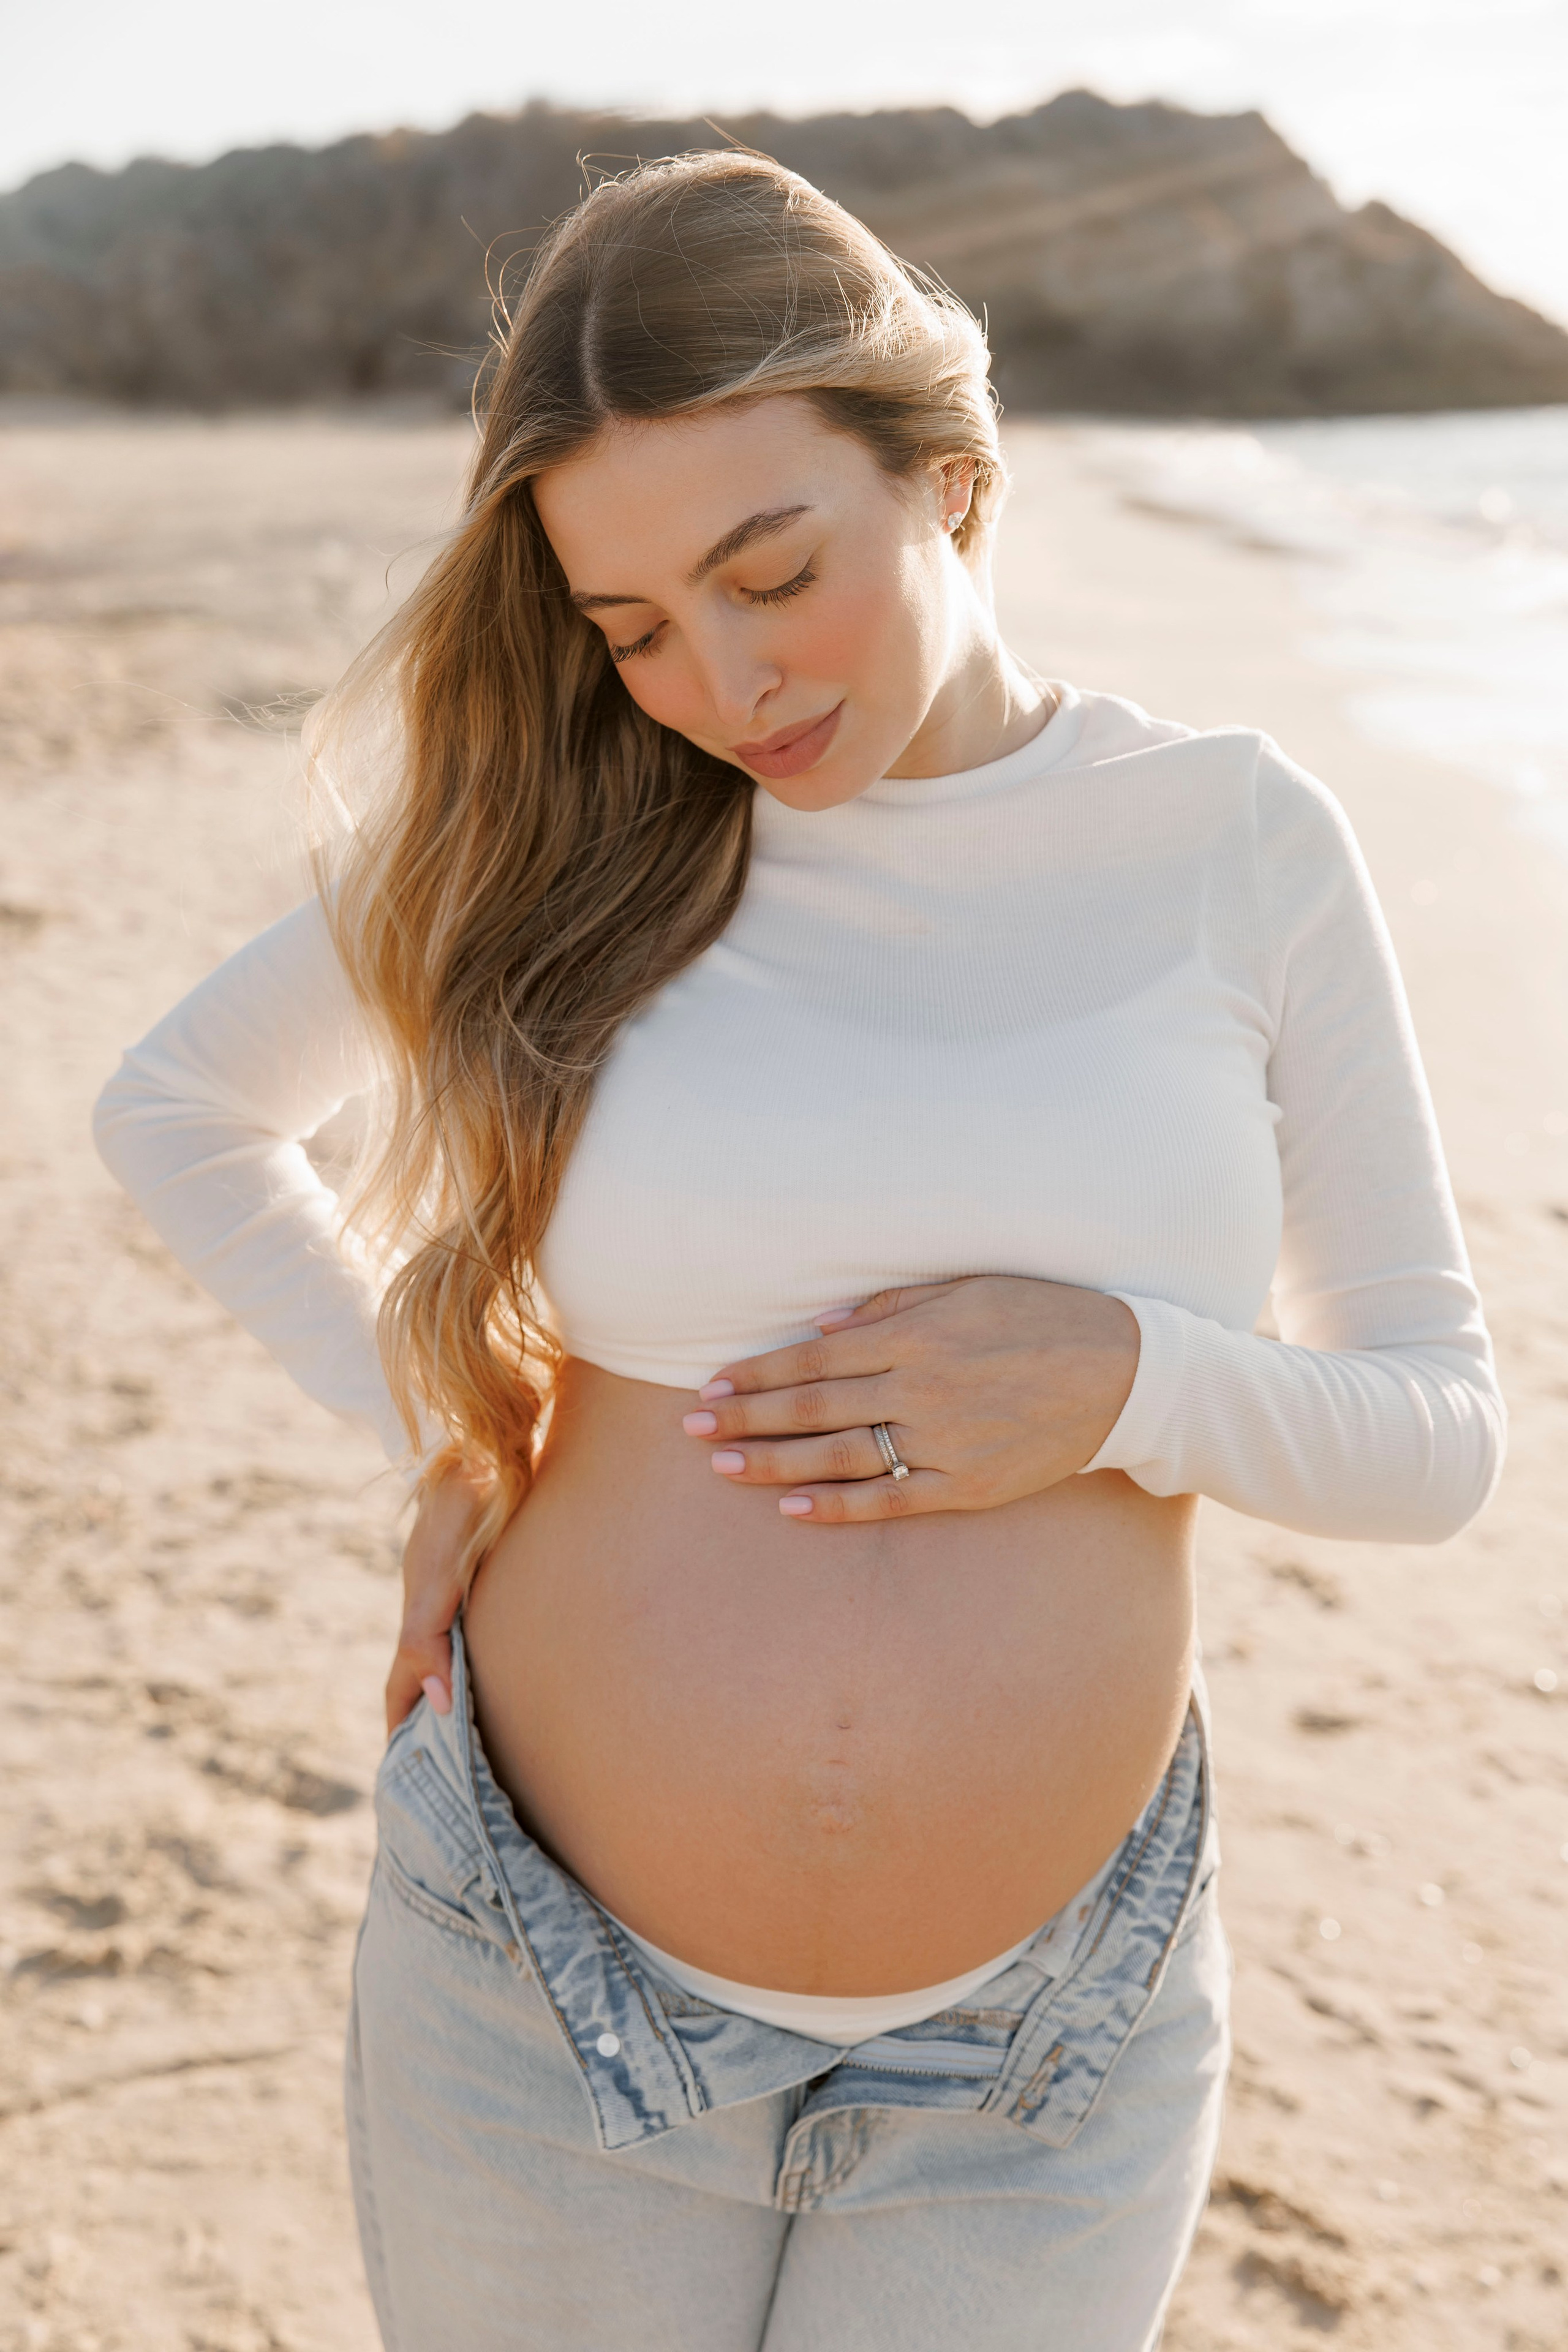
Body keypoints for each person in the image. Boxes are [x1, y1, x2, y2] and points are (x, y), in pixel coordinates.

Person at [94, 150, 1504, 2351]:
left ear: (948, 477)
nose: (724, 680)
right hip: (542, 1996)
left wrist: (1132, 1380)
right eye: (633, 627)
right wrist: (447, 1422)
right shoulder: (573, 840)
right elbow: (175, 1112)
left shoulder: (1234, 844)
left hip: (1046, 2052)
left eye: (774, 572)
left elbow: (1436, 1433)